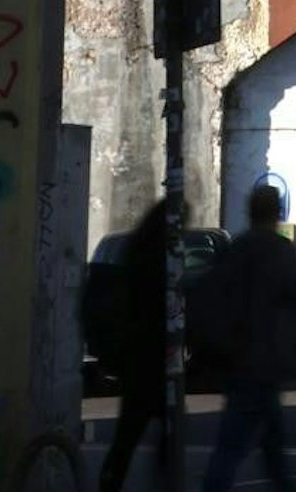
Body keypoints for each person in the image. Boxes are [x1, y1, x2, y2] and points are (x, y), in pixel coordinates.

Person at [197, 184, 296, 492]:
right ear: (277, 212)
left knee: (267, 441)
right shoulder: (280, 251)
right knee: (237, 444)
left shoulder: (236, 249)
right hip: (265, 356)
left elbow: (214, 294)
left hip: (238, 356)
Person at [99, 199, 170, 492]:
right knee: (159, 430)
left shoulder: (135, 251)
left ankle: (111, 483)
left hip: (137, 359)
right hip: (151, 360)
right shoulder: (159, 259)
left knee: (128, 435)